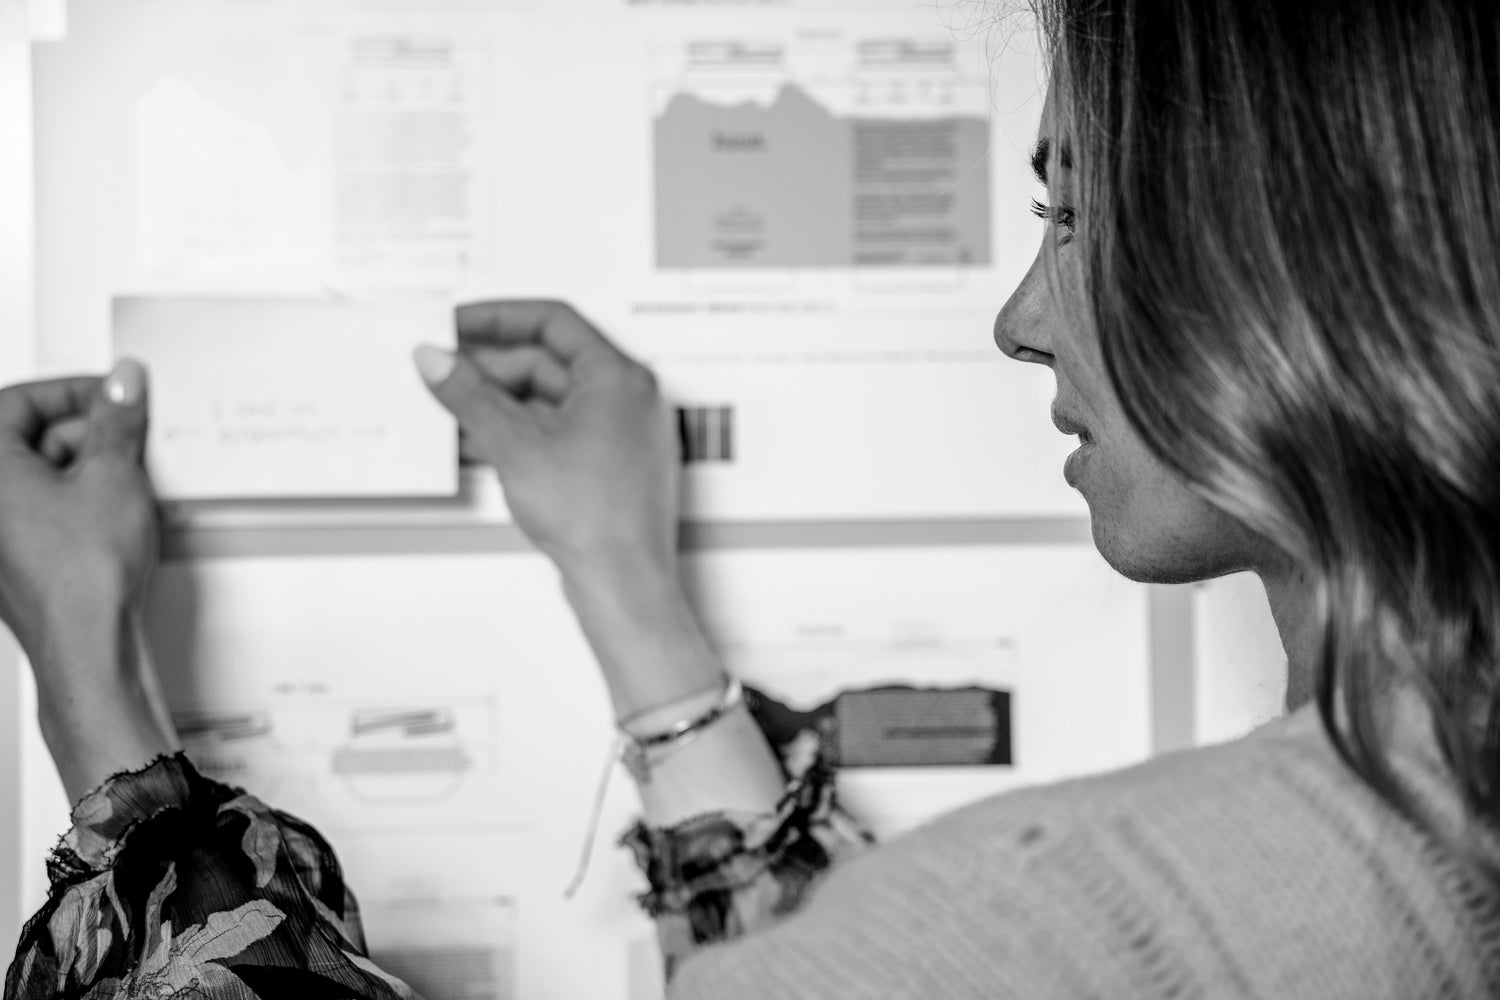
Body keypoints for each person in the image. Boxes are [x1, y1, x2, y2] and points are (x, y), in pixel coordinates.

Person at [4, 0, 1500, 996]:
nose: (1021, 318)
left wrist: (85, 673)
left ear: (1305, 235)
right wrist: (623, 582)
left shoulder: (1066, 920)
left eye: (1074, 210)